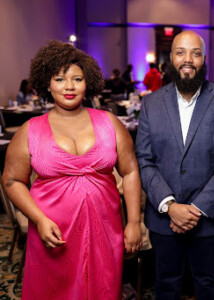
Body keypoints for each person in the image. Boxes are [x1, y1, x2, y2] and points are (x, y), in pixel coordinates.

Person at [2, 40, 142, 299]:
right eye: (60, 79)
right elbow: (11, 181)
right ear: (47, 83)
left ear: (87, 82)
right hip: (52, 232)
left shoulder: (110, 123)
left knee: (103, 289)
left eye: (77, 79)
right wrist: (40, 220)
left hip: (104, 228)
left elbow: (131, 171)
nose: (69, 86)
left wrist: (133, 222)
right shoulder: (29, 130)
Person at [135, 30, 214, 299]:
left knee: (208, 284)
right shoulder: (150, 104)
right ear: (171, 58)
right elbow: (145, 160)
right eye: (181, 52)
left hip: (210, 218)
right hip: (163, 219)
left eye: (195, 53)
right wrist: (171, 206)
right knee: (166, 284)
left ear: (204, 59)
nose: (188, 59)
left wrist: (196, 209)